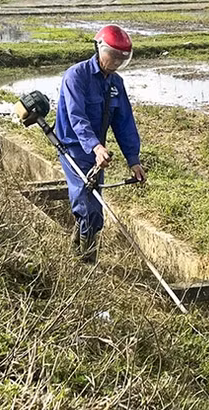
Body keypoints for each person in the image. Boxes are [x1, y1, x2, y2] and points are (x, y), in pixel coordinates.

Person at [54, 25, 146, 264]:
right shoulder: (77, 76)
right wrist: (95, 147)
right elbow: (77, 117)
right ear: (99, 49)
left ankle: (79, 249)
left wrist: (133, 161)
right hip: (73, 147)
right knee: (87, 202)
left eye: (121, 58)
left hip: (97, 151)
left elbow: (124, 121)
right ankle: (85, 261)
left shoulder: (115, 83)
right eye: (113, 56)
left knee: (94, 204)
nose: (116, 62)